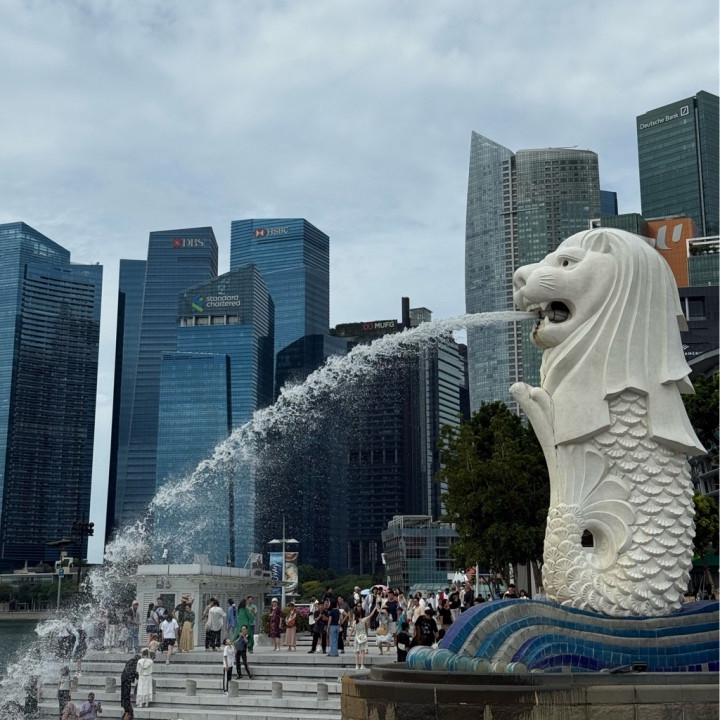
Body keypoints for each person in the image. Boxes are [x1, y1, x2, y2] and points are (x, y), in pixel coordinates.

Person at [352, 605, 375, 670]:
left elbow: (352, 630)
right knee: (362, 651)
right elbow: (371, 615)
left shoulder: (354, 622)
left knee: (356, 652)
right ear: (360, 615)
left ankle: (356, 666)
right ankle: (362, 665)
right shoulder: (363, 620)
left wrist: (348, 638)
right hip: (362, 637)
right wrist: (375, 608)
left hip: (356, 637)